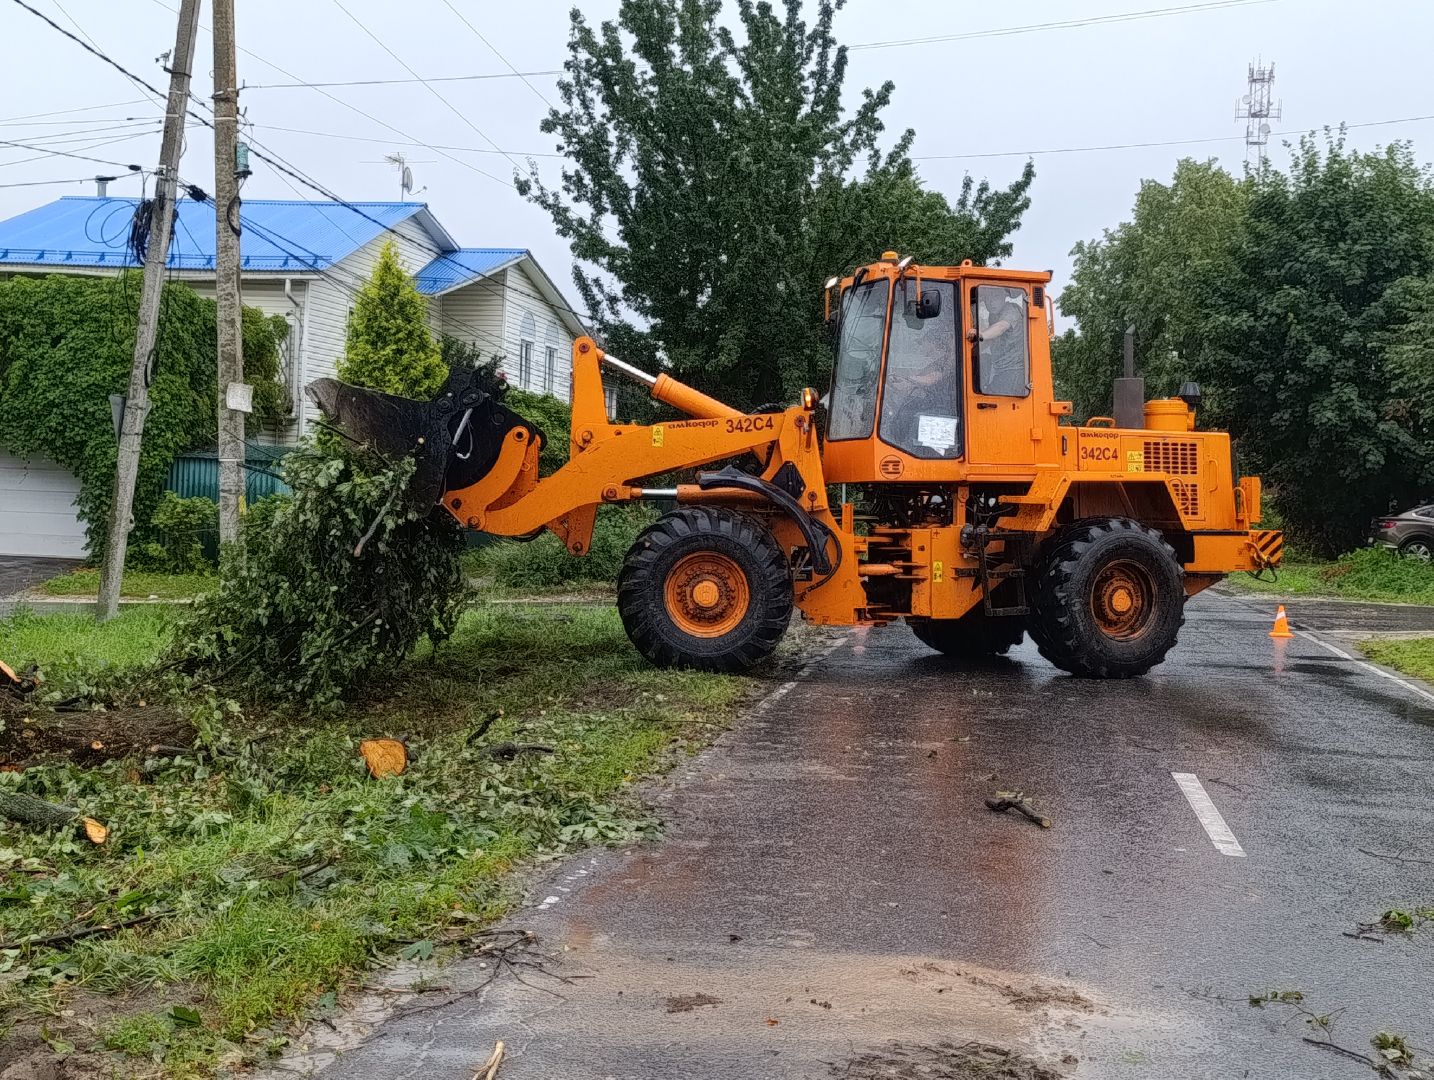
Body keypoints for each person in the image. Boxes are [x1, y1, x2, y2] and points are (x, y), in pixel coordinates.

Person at [974, 287, 1027, 395]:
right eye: (988, 298)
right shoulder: (993, 315)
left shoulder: (1011, 309)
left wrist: (981, 335)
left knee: (986, 398)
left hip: (1013, 370)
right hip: (1000, 368)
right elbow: (992, 338)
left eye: (996, 297)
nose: (991, 302)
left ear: (1004, 297)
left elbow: (1001, 327)